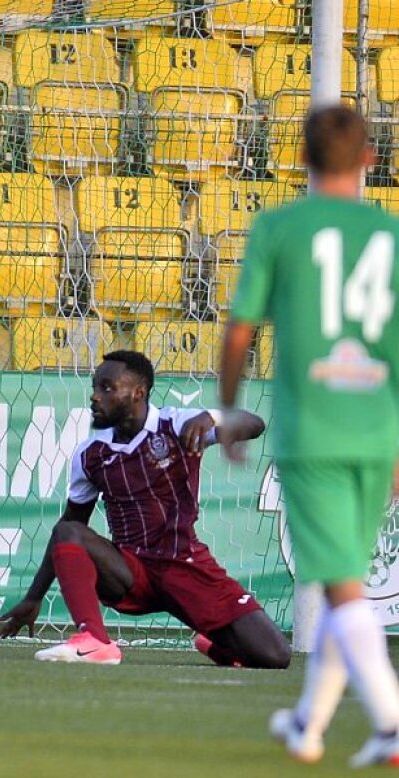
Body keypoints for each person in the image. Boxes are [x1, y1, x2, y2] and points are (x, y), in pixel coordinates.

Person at [220, 104, 399, 768]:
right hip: (377, 429)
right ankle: (307, 725)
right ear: (369, 162)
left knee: (343, 587)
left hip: (314, 431)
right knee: (338, 579)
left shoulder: (281, 227)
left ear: (301, 157)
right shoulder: (390, 235)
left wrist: (231, 410)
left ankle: (389, 722)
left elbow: (241, 329)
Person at [0, 350, 291, 669]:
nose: (95, 397)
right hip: (130, 572)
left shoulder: (177, 424)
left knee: (274, 657)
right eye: (95, 387)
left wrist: (213, 417)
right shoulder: (91, 454)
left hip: (184, 565)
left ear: (138, 392)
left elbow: (254, 424)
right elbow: (69, 528)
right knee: (69, 531)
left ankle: (215, 642)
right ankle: (94, 640)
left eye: (107, 388)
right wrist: (34, 596)